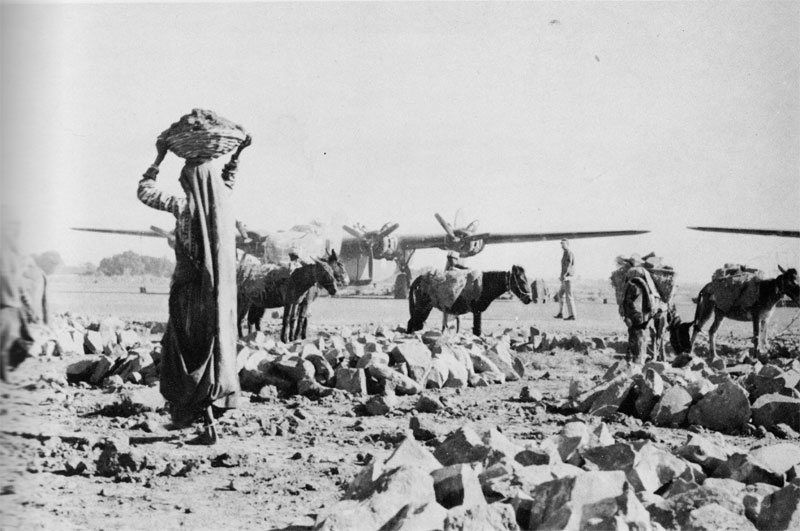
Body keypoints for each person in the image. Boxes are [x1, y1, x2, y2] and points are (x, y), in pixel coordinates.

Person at [138, 134, 251, 445]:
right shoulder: (222, 206)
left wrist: (158, 158)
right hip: (214, 296)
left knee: (184, 351)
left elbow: (145, 192)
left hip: (188, 295)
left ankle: (191, 415)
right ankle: (209, 416)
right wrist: (238, 153)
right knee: (211, 349)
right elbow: (226, 181)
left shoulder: (182, 206)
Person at [622, 274, 655, 364]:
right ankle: (635, 357)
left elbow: (627, 302)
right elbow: (628, 302)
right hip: (636, 318)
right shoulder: (635, 288)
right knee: (637, 338)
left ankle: (634, 356)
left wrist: (627, 316)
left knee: (635, 337)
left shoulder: (632, 288)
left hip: (634, 319)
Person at [554, 239, 576, 320]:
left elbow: (568, 266)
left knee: (569, 297)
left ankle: (572, 315)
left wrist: (563, 275)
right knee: (560, 295)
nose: (562, 246)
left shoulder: (569, 253)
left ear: (567, 244)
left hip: (567, 278)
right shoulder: (565, 253)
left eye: (563, 244)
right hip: (564, 279)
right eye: (561, 244)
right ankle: (560, 313)